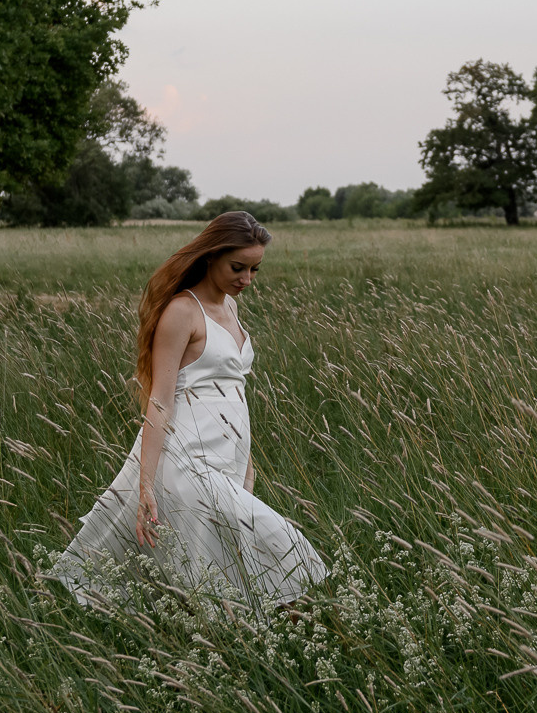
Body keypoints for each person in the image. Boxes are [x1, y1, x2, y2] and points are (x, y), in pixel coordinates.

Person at [50, 211, 328, 610]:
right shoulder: (182, 312)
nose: (246, 280)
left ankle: (225, 644)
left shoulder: (230, 307)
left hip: (227, 457)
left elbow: (234, 392)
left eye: (254, 270)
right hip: (188, 458)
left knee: (217, 565)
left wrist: (247, 462)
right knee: (280, 545)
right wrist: (145, 485)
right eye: (238, 267)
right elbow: (159, 401)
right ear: (211, 256)